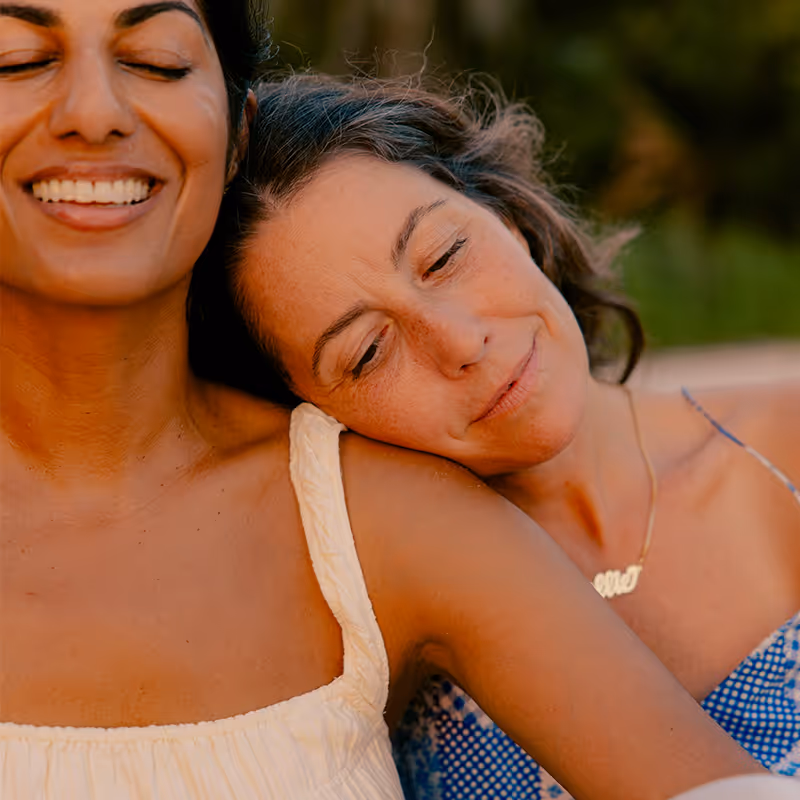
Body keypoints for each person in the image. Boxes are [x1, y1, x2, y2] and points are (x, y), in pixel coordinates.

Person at [0, 2, 769, 798]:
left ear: (233, 130)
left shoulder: (384, 522)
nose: (93, 112)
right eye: (16, 60)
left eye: (157, 59)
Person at [189, 72, 800, 798]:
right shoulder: (360, 627)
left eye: (445, 257)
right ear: (310, 419)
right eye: (368, 353)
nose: (461, 342)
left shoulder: (782, 446)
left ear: (507, 217)